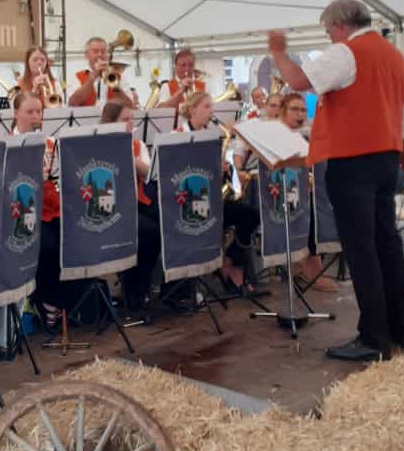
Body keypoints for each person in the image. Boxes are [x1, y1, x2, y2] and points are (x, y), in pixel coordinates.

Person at [269, 0, 404, 362]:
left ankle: (374, 337)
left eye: (328, 30)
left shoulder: (348, 52)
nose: (328, 37)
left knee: (362, 249)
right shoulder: (393, 54)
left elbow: (298, 80)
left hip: (353, 160)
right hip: (386, 156)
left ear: (340, 25)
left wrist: (278, 52)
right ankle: (402, 328)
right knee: (387, 244)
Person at [12, 91, 86, 330]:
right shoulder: (9, 145)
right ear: (16, 114)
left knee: (78, 240)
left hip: (53, 208)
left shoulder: (50, 143)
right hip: (24, 212)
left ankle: (69, 303)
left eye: (39, 111)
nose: (36, 116)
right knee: (48, 247)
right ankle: (47, 302)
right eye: (29, 111)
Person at [177, 91, 260, 290]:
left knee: (250, 215)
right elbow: (177, 172)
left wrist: (224, 168)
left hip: (213, 198)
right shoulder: (177, 136)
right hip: (188, 201)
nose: (211, 111)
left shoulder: (214, 135)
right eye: (206, 107)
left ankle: (231, 261)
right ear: (192, 109)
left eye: (212, 107)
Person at [99, 96, 160, 311]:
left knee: (160, 227)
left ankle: (140, 287)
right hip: (110, 206)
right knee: (149, 232)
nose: (130, 123)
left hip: (135, 201)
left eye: (131, 119)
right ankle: (134, 289)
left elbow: (150, 173)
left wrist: (129, 156)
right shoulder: (98, 145)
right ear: (110, 122)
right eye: (125, 119)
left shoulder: (136, 145)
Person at [278, 92, 337, 293]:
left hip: (308, 189)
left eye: (303, 110)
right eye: (294, 109)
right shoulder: (277, 133)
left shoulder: (309, 133)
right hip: (282, 191)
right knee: (307, 209)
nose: (300, 114)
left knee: (318, 208)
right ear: (284, 111)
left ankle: (313, 265)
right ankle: (309, 269)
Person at [68, 36, 113, 106]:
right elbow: (73, 103)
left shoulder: (117, 74)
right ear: (86, 55)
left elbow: (129, 104)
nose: (100, 54)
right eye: (95, 51)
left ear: (108, 55)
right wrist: (93, 76)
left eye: (103, 51)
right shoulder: (77, 76)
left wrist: (115, 82)